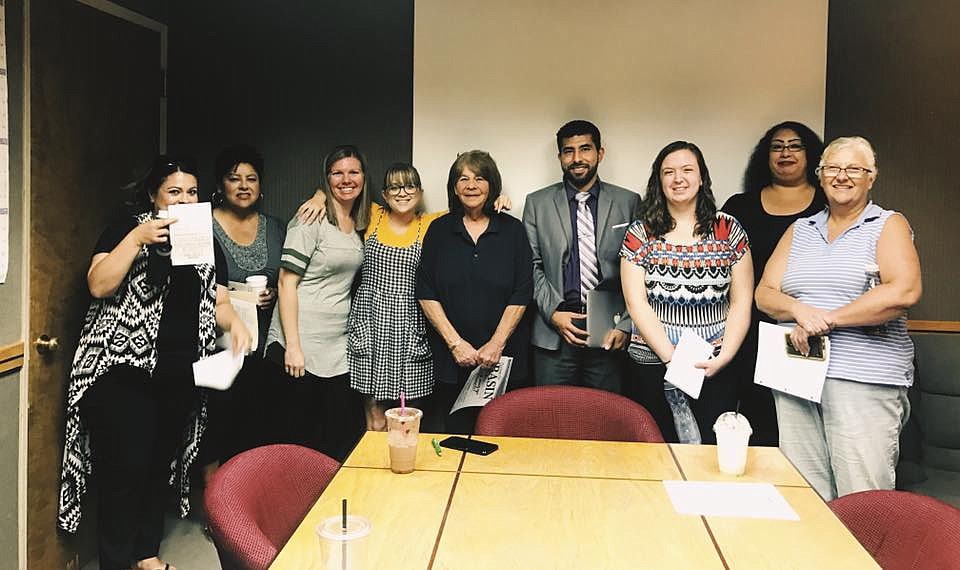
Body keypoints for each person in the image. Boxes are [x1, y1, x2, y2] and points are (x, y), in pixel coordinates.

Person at [57, 155, 251, 570]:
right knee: (125, 472)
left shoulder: (206, 238)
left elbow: (217, 301)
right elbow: (98, 284)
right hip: (121, 372)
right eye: (175, 191)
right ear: (154, 195)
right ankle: (115, 561)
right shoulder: (126, 228)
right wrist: (139, 238)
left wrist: (235, 325)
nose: (185, 200)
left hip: (179, 373)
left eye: (193, 192)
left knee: (156, 468)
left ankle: (145, 556)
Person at [756, 136, 921, 500]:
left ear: (871, 177)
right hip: (795, 369)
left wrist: (827, 319)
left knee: (861, 496)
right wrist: (799, 310)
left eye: (854, 169)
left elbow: (904, 291)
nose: (842, 176)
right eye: (833, 168)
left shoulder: (888, 224)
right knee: (805, 491)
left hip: (861, 376)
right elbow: (764, 293)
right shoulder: (801, 229)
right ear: (820, 175)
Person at [620, 141, 753, 444]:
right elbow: (635, 302)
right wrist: (672, 359)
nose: (678, 179)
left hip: (714, 364)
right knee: (654, 452)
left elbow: (742, 300)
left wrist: (725, 356)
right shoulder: (641, 232)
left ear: (702, 177)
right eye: (669, 172)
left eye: (687, 170)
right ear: (659, 181)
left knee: (709, 453)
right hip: (652, 363)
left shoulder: (728, 229)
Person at [721, 121, 826, 445]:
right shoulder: (739, 206)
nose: (785, 153)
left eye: (795, 146)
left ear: (811, 155)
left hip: (809, 326)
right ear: (765, 157)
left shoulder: (829, 203)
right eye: (777, 146)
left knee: (803, 426)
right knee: (757, 418)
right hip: (749, 327)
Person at [264, 145, 369, 461]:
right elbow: (286, 282)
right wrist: (294, 346)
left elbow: (412, 211)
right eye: (337, 173)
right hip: (301, 342)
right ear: (326, 179)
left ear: (364, 177)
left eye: (353, 172)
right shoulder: (310, 218)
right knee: (300, 440)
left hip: (337, 345)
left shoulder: (358, 222)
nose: (346, 179)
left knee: (336, 438)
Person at [416, 150, 533, 433]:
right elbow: (425, 289)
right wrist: (455, 343)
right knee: (454, 439)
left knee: (502, 440)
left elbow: (523, 289)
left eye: (479, 178)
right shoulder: (439, 230)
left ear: (491, 184)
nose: (471, 185)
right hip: (452, 360)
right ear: (454, 188)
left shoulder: (512, 230)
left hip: (504, 361)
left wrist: (496, 343)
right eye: (463, 179)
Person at [523, 120, 638, 392]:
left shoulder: (628, 202)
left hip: (610, 332)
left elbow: (639, 270)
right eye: (568, 151)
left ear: (600, 153)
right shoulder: (536, 203)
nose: (577, 159)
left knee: (605, 421)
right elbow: (531, 266)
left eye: (585, 149)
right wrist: (554, 314)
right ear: (560, 157)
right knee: (551, 420)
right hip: (554, 335)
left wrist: (625, 324)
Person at [202, 144, 288, 467]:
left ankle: (250, 501)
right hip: (218, 342)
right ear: (221, 184)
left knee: (260, 425)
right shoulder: (203, 226)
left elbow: (292, 280)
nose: (243, 186)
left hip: (265, 345)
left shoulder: (276, 228)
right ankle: (215, 508)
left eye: (251, 179)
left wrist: (274, 296)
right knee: (217, 426)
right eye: (234, 178)